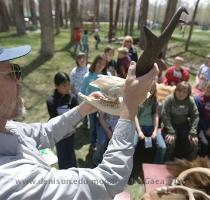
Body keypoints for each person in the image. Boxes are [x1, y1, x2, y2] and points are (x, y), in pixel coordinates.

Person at [0, 45, 158, 200]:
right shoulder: (11, 181)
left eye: (17, 71)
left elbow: (44, 132)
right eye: (11, 74)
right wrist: (130, 108)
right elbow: (106, 181)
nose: (19, 81)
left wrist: (82, 110)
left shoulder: (7, 128)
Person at [46, 72, 78, 169]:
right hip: (58, 134)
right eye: (64, 85)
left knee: (70, 151)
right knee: (62, 153)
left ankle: (74, 171)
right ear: (57, 86)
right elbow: (53, 118)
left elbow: (76, 115)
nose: (67, 87)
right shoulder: (51, 101)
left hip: (70, 132)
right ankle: (64, 175)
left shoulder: (72, 98)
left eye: (68, 84)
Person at [162, 81, 199, 161]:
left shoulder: (190, 101)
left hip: (183, 124)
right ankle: (167, 161)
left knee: (193, 143)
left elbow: (195, 115)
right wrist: (170, 131)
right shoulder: (170, 99)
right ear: (176, 90)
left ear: (188, 93)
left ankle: (188, 163)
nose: (181, 94)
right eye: (179, 90)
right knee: (170, 142)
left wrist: (193, 132)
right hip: (170, 124)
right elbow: (165, 115)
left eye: (184, 92)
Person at [80, 55, 109, 149]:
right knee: (92, 125)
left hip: (104, 106)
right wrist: (87, 99)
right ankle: (93, 143)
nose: (100, 65)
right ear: (95, 63)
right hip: (91, 106)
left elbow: (111, 90)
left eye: (103, 64)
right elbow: (82, 91)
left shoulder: (107, 76)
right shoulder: (88, 76)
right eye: (99, 63)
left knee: (103, 124)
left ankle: (102, 142)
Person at [134, 85, 166, 164]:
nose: (149, 93)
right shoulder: (138, 100)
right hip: (138, 126)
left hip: (151, 126)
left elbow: (156, 116)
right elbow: (135, 116)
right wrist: (139, 131)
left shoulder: (155, 101)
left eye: (151, 91)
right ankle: (130, 166)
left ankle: (156, 165)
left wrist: (155, 131)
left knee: (162, 147)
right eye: (147, 90)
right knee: (132, 145)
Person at [194, 81, 210, 157]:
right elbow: (197, 116)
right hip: (200, 128)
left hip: (208, 128)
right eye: (208, 88)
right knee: (205, 144)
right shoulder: (198, 99)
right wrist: (206, 129)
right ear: (205, 87)